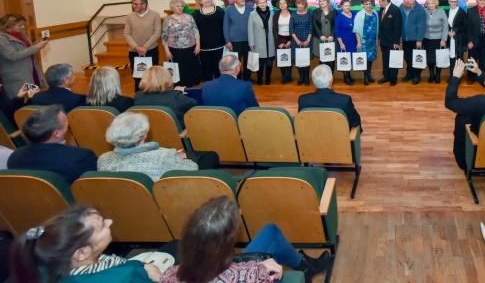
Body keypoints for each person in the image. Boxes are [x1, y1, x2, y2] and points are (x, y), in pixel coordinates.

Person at [159, 197, 332, 283]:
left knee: (270, 232)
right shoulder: (251, 275)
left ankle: (306, 266)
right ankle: (306, 267)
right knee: (272, 243)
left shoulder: (170, 275)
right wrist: (259, 268)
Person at [9, 205, 162, 283]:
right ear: (82, 253)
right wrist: (144, 268)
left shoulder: (41, 265)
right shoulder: (127, 276)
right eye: (102, 226)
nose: (110, 222)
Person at [7, 105, 97, 183]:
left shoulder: (14, 158)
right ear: (57, 133)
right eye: (65, 121)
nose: (68, 122)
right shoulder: (80, 157)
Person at [97, 112, 198, 181]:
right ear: (144, 134)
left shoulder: (103, 159)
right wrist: (180, 159)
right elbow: (193, 169)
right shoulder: (163, 156)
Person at [298, 64, 361, 129]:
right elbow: (355, 122)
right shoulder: (344, 100)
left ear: (313, 82)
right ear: (331, 80)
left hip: (312, 137)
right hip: (338, 138)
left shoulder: (303, 100)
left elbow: (302, 123)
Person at [133, 66, 197, 129]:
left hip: (148, 134)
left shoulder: (138, 96)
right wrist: (179, 93)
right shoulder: (175, 96)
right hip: (176, 136)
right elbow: (194, 105)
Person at [0, 13, 45, 98]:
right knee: (21, 99)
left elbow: (26, 48)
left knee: (33, 95)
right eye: (19, 25)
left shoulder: (21, 33)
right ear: (9, 25)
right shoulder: (2, 38)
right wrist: (35, 48)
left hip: (30, 70)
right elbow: (12, 56)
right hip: (16, 75)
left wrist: (36, 45)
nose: (23, 27)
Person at [124, 0, 161, 93]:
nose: (134, 6)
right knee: (137, 76)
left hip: (150, 50)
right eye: (133, 4)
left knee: (152, 75)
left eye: (136, 4)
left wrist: (145, 47)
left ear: (144, 5)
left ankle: (153, 95)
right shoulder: (129, 16)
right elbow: (127, 33)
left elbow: (157, 32)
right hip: (134, 51)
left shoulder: (155, 15)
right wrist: (136, 47)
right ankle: (139, 97)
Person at [162, 0, 202, 88]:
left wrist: (198, 45)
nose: (180, 8)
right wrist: (166, 51)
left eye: (181, 6)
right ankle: (179, 87)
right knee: (179, 70)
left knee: (190, 68)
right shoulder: (167, 20)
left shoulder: (189, 17)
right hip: (175, 49)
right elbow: (164, 36)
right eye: (177, 6)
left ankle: (191, 87)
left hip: (190, 47)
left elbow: (196, 31)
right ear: (172, 7)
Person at [192, 0, 226, 82]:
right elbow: (194, 30)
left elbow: (225, 26)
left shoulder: (218, 10)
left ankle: (219, 85)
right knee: (206, 68)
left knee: (218, 67)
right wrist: (197, 44)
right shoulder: (196, 14)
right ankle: (208, 86)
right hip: (204, 46)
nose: (207, 0)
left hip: (219, 44)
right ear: (200, 2)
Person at [223, 0, 253, 81]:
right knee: (236, 61)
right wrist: (227, 40)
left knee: (248, 60)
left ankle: (247, 77)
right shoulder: (229, 10)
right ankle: (238, 78)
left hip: (248, 40)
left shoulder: (249, 8)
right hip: (235, 40)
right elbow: (225, 26)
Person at [248, 0, 276, 85]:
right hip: (258, 42)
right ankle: (259, 79)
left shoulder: (271, 13)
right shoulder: (253, 14)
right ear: (257, 4)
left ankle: (268, 79)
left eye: (264, 2)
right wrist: (251, 42)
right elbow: (250, 29)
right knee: (260, 63)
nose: (263, 4)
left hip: (270, 41)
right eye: (260, 3)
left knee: (269, 62)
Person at [377, 0, 402, 86]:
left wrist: (396, 42)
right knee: (385, 59)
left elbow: (397, 27)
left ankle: (393, 78)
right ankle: (386, 76)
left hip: (392, 40)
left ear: (385, 1)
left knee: (393, 60)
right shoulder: (381, 9)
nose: (379, 3)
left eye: (380, 1)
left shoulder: (395, 10)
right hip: (383, 40)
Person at [400, 0, 425, 85]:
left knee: (416, 59)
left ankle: (416, 75)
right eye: (404, 2)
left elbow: (421, 26)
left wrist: (419, 40)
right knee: (407, 57)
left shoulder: (420, 10)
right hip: (405, 38)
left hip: (415, 39)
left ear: (412, 3)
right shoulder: (401, 7)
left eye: (407, 4)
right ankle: (409, 73)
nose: (404, 5)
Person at [422, 0, 448, 84]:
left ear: (436, 4)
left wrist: (444, 39)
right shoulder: (424, 11)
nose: (431, 5)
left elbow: (445, 26)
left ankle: (437, 75)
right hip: (427, 38)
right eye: (429, 3)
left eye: (432, 3)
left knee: (438, 58)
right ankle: (431, 75)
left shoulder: (441, 12)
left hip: (438, 39)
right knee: (429, 58)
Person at [353, 0, 378, 86]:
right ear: (362, 5)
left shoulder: (375, 13)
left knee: (370, 59)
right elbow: (356, 30)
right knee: (365, 59)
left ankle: (369, 75)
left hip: (372, 41)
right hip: (364, 41)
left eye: (369, 4)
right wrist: (359, 42)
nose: (368, 6)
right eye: (366, 4)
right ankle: (366, 77)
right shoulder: (359, 15)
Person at [334, 0, 358, 86]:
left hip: (353, 41)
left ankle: (349, 76)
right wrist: (341, 43)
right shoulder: (339, 17)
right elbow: (337, 32)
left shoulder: (354, 14)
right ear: (341, 7)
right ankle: (346, 77)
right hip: (344, 42)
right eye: (345, 6)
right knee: (345, 59)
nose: (347, 7)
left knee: (351, 58)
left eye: (348, 5)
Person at [290, 0, 313, 86]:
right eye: (299, 4)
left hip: (307, 40)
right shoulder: (293, 14)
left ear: (305, 5)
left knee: (306, 60)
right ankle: (301, 78)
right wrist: (296, 40)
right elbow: (291, 29)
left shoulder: (309, 14)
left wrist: (308, 40)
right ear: (296, 4)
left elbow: (311, 28)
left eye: (302, 4)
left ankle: (306, 78)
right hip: (296, 40)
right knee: (299, 60)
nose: (300, 5)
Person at [312, 0, 337, 74]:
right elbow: (314, 24)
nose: (322, 2)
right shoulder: (316, 11)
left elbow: (335, 25)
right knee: (322, 57)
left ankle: (330, 77)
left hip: (331, 38)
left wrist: (332, 35)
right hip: (320, 38)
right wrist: (320, 35)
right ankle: (323, 76)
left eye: (323, 1)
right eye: (320, 1)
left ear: (328, 2)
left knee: (331, 58)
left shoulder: (334, 12)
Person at [445, 0, 469, 77]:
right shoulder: (446, 12)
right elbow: (445, 25)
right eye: (451, 1)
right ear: (449, 2)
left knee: (459, 59)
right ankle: (452, 76)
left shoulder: (462, 12)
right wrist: (447, 31)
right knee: (451, 58)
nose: (453, 3)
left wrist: (456, 31)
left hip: (460, 39)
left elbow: (466, 25)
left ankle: (458, 77)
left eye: (455, 2)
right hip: (450, 38)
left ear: (457, 2)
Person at [273, 0, 294, 84]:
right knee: (282, 58)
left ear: (287, 4)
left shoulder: (292, 14)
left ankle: (289, 75)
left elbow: (295, 28)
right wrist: (278, 43)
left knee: (289, 58)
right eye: (280, 3)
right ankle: (283, 76)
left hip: (290, 38)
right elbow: (274, 30)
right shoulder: (276, 15)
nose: (282, 5)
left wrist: (291, 41)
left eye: (284, 3)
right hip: (280, 38)